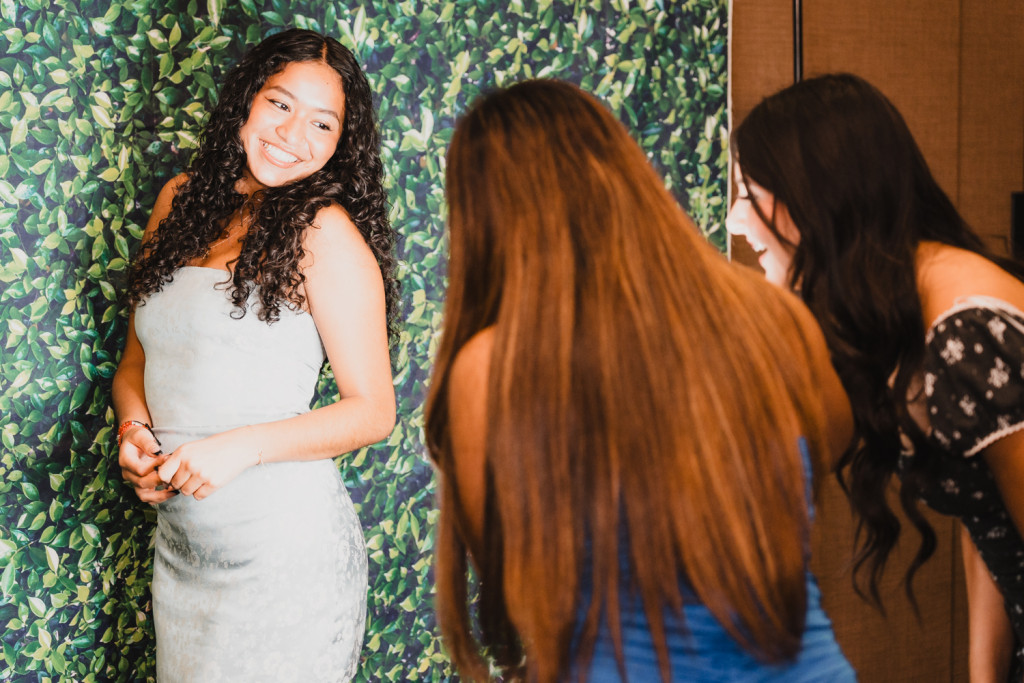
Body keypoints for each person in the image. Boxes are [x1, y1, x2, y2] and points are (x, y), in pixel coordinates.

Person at [424, 79, 856, 682]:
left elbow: (511, 575)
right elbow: (822, 458)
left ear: (484, 215)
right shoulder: (775, 318)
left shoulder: (491, 368)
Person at [112, 29, 397, 681]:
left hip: (285, 560)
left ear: (338, 145)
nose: (294, 134)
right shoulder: (179, 202)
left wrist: (237, 446)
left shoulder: (327, 234)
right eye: (280, 104)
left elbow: (373, 411)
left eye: (322, 124)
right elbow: (136, 364)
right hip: (185, 555)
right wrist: (134, 430)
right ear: (246, 99)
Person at [728, 72, 1024, 682]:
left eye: (747, 191)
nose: (735, 220)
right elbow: (990, 514)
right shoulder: (909, 304)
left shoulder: (967, 333)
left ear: (815, 193)